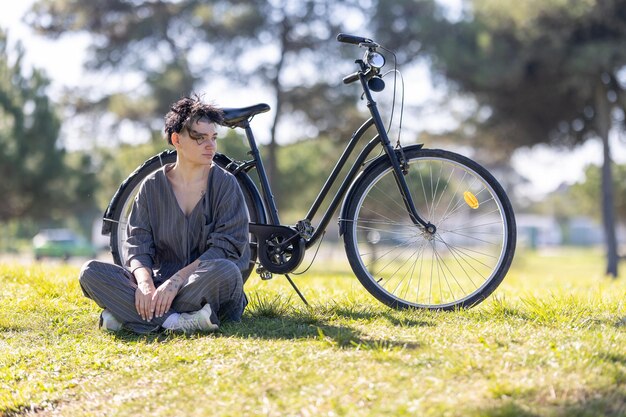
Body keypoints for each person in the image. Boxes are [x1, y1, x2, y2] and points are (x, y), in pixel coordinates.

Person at [79, 95, 250, 334]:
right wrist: (145, 284)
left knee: (227, 271)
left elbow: (226, 249)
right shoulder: (151, 186)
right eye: (199, 139)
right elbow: (137, 244)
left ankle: (130, 316)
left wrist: (175, 282)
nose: (210, 146)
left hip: (204, 285)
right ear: (176, 139)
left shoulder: (226, 185)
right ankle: (179, 322)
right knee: (91, 272)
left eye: (213, 138)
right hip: (160, 284)